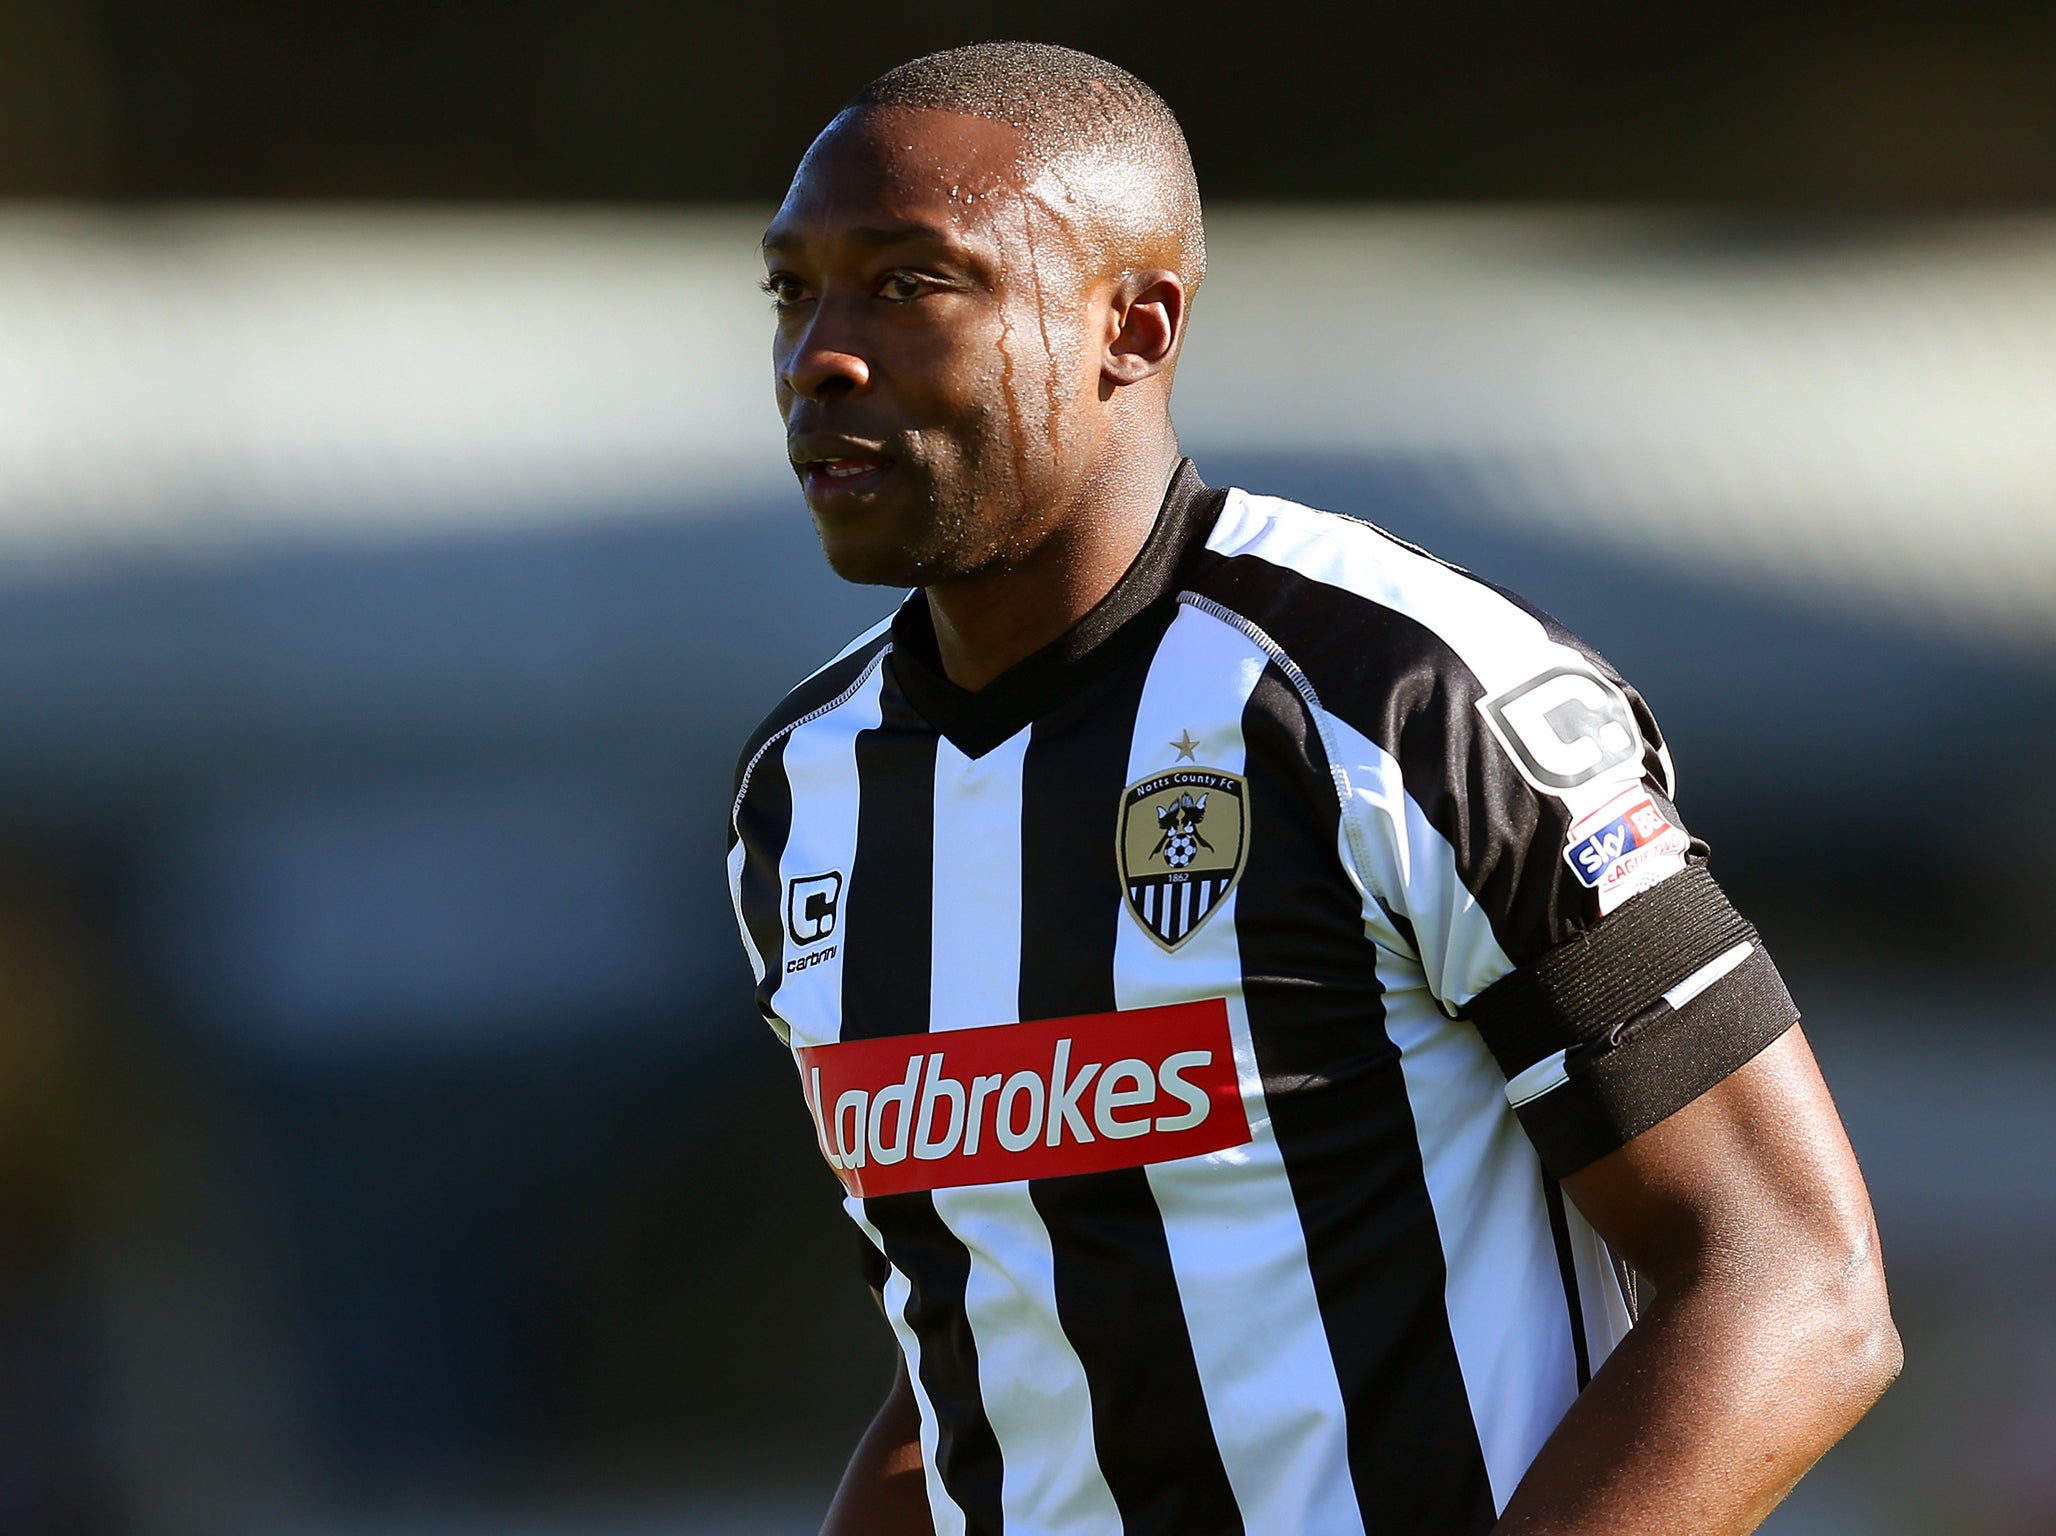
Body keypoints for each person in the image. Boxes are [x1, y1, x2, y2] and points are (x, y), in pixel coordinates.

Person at [726, 41, 1899, 1536]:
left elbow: (1793, 1284)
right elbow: (979, 1347)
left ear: (1133, 325)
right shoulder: (804, 796)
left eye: (909, 284)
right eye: (792, 290)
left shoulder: (1401, 697)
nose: (820, 353)